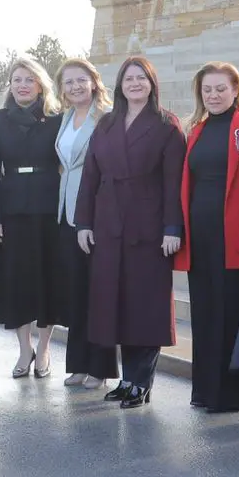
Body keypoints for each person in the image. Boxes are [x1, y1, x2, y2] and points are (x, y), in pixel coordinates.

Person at [76, 57, 186, 408]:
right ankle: (127, 379)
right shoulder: (106, 123)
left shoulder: (167, 125)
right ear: (120, 84)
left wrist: (172, 227)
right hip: (108, 224)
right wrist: (84, 222)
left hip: (149, 226)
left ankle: (142, 381)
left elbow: (174, 183)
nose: (135, 83)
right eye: (129, 78)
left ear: (152, 83)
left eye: (142, 78)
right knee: (116, 305)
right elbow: (89, 177)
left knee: (145, 306)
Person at [173, 62, 239, 412]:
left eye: (220, 89)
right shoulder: (196, 129)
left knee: (231, 314)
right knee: (205, 313)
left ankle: (230, 393)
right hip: (201, 236)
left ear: (236, 89)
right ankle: (206, 390)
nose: (213, 95)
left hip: (235, 236)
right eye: (207, 90)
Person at [0, 56, 61, 378]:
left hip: (49, 205)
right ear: (10, 85)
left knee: (47, 279)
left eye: (29, 79)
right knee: (16, 281)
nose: (23, 85)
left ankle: (44, 349)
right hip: (11, 206)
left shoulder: (57, 118)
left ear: (40, 84)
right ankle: (24, 349)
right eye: (17, 80)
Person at [52, 59, 116, 388]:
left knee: (98, 294)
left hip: (96, 214)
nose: (75, 86)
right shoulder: (65, 117)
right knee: (75, 292)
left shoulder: (106, 117)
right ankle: (78, 364)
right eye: (68, 82)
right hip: (67, 214)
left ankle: (101, 368)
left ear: (94, 81)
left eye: (81, 80)